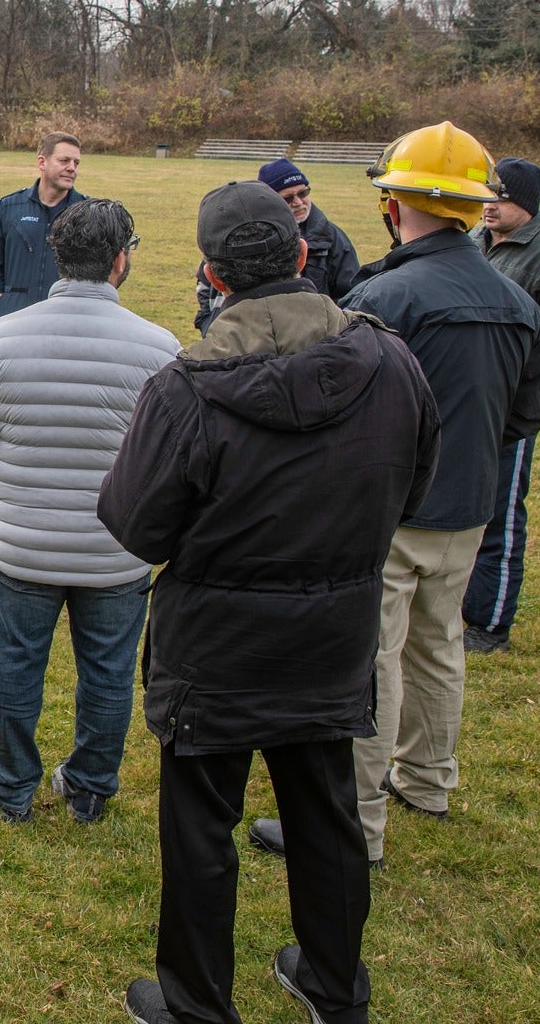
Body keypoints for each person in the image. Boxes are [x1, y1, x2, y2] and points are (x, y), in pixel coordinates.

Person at [101, 179, 438, 1024]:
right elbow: (413, 487)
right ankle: (328, 982)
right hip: (324, 636)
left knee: (205, 830)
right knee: (323, 816)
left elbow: (137, 523)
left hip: (222, 649)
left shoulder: (189, 388)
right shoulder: (393, 365)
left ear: (213, 275)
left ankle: (208, 1003)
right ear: (297, 256)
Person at [277, 122, 540, 867]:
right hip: (468, 507)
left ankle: (356, 826)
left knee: (373, 660)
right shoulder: (517, 301)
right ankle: (428, 778)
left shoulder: (382, 296)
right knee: (440, 643)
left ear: (395, 204)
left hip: (388, 509)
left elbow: (336, 409)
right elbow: (525, 415)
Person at [0, 199, 179, 824]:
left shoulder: (1, 339)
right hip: (115, 551)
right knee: (107, 674)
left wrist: (7, 491)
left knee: (15, 667)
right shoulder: (160, 351)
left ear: (58, 256)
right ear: (120, 261)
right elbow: (173, 456)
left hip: (23, 545)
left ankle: (10, 784)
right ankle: (89, 789)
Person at [462, 157, 540, 653]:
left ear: (529, 204)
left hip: (510, 408)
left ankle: (489, 624)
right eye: (486, 194)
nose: (490, 204)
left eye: (502, 196)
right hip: (464, 396)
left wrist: (509, 364)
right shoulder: (472, 242)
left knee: (499, 515)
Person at [193, 159, 359, 334]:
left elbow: (352, 292)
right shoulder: (233, 238)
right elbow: (205, 292)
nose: (298, 202)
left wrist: (331, 329)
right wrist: (211, 327)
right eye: (288, 198)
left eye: (303, 193)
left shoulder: (332, 237)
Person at [0, 133, 86, 319]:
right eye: (64, 161)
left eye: (76, 163)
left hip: (65, 317)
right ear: (42, 162)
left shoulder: (86, 212)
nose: (71, 168)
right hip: (13, 316)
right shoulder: (9, 207)